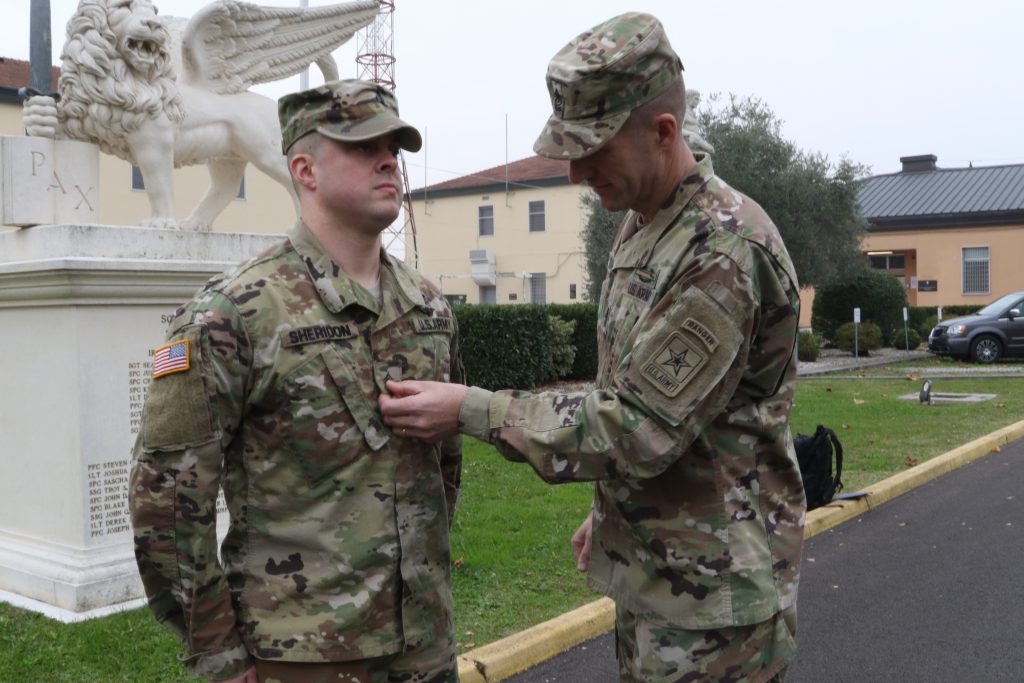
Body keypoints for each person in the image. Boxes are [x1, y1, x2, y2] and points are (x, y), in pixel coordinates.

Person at [379, 13, 804, 683]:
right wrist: (612, 513)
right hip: (663, 575)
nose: (577, 170)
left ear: (662, 132)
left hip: (713, 609)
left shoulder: (719, 250)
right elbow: (660, 400)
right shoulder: (647, 225)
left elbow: (637, 426)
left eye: (595, 149)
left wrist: (477, 409)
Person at [130, 80, 464, 683]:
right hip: (302, 656)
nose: (389, 160)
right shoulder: (231, 313)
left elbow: (444, 467)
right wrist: (218, 652)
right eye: (363, 147)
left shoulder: (429, 307)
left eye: (394, 147)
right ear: (304, 169)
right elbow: (169, 504)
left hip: (426, 644)